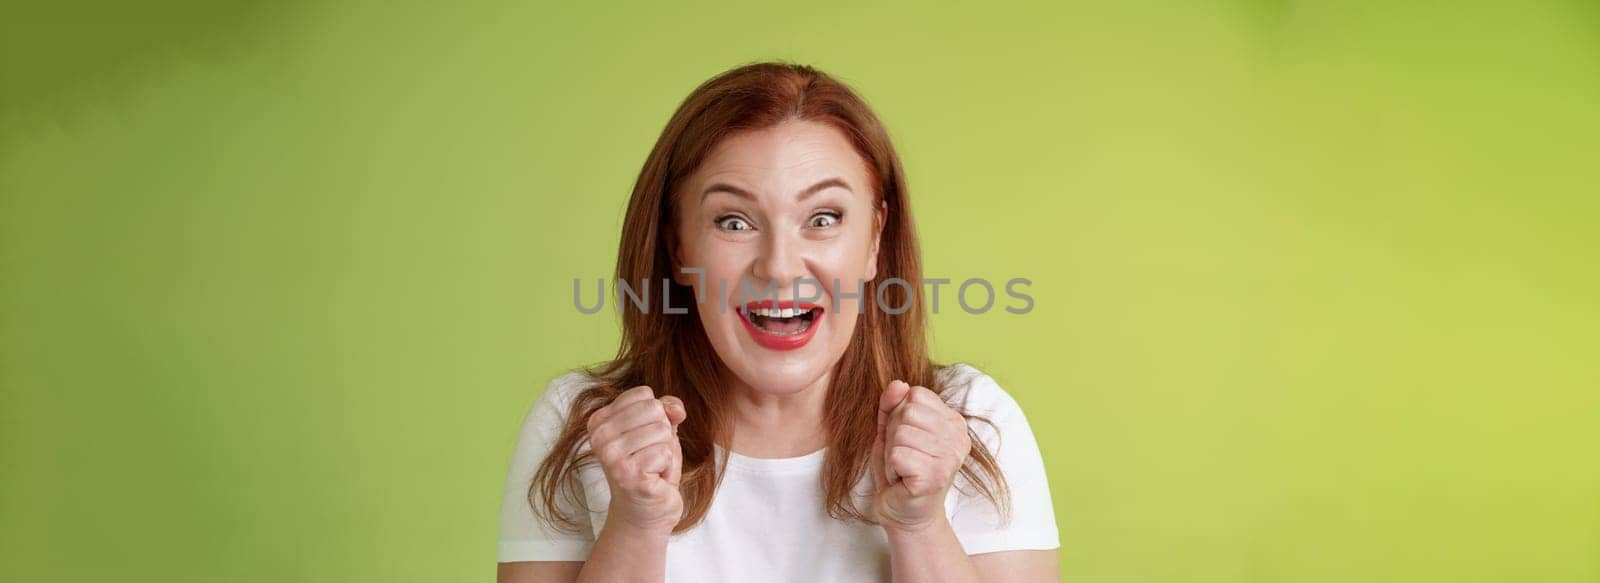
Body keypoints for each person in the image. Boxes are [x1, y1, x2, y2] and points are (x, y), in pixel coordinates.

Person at [496, 62, 1060, 582]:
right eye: (735, 222)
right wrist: (636, 525)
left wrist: (920, 526)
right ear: (677, 247)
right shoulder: (582, 428)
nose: (780, 269)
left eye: (822, 218)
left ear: (874, 241)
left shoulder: (974, 424)